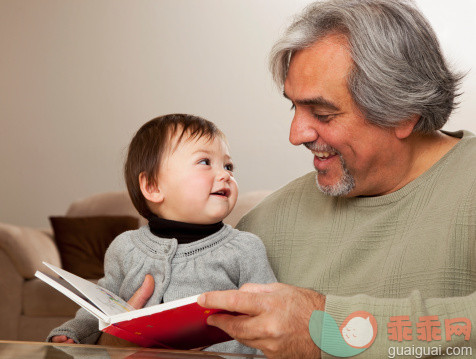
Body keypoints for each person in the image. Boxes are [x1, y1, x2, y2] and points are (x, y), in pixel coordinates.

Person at [194, 1, 475, 358]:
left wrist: (330, 330)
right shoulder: (265, 225)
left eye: (323, 113)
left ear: (403, 113)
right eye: (293, 107)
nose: (296, 134)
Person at [46, 114, 276, 354]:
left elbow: (270, 319)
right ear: (153, 187)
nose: (225, 174)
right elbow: (100, 307)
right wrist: (74, 332)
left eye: (228, 166)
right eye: (205, 162)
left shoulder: (246, 248)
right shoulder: (125, 248)